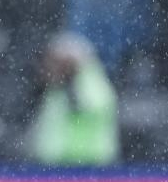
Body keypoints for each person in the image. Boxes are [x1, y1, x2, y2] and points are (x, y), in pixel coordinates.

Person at [30, 32, 119, 166]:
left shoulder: (91, 83)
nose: (49, 66)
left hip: (85, 164)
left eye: (56, 61)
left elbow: (86, 109)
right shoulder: (56, 87)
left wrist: (70, 86)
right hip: (58, 164)